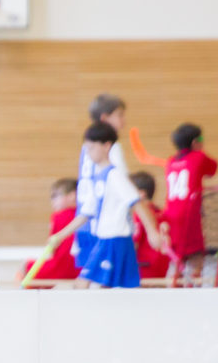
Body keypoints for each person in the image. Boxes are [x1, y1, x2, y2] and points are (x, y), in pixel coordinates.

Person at [50, 124, 162, 289]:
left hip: (115, 240)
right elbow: (85, 213)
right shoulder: (98, 177)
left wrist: (152, 232)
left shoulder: (115, 176)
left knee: (83, 283)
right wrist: (59, 236)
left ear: (106, 146)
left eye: (92, 147)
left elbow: (136, 203)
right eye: (87, 148)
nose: (88, 152)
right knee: (114, 287)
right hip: (106, 239)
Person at [73, 94, 127, 287]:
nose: (124, 120)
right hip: (103, 224)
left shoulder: (87, 146)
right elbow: (122, 186)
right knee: (104, 280)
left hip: (84, 223)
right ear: (105, 118)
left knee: (90, 278)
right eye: (120, 115)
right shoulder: (109, 147)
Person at [163, 122, 218, 281]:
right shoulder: (199, 156)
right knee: (196, 256)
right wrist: (199, 149)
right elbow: (213, 169)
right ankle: (194, 288)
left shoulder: (171, 161)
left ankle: (176, 287)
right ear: (195, 141)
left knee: (178, 260)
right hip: (189, 213)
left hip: (171, 215)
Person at [19, 178, 80, 286]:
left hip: (62, 267)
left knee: (25, 266)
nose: (52, 201)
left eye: (55, 196)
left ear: (72, 196)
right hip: (80, 269)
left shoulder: (58, 216)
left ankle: (24, 299)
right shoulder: (82, 217)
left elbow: (52, 247)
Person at [128, 172, 172, 280]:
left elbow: (134, 244)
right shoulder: (162, 213)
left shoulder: (140, 216)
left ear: (141, 194)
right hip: (162, 266)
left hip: (144, 267)